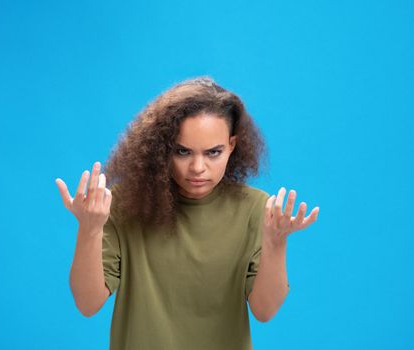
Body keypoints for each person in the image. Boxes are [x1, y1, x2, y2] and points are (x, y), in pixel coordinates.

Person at [55, 77, 319, 350]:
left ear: (231, 145)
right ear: (162, 148)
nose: (197, 167)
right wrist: (89, 229)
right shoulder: (123, 204)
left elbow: (265, 311)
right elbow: (88, 303)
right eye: (182, 151)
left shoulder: (255, 209)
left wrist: (276, 243)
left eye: (213, 153)